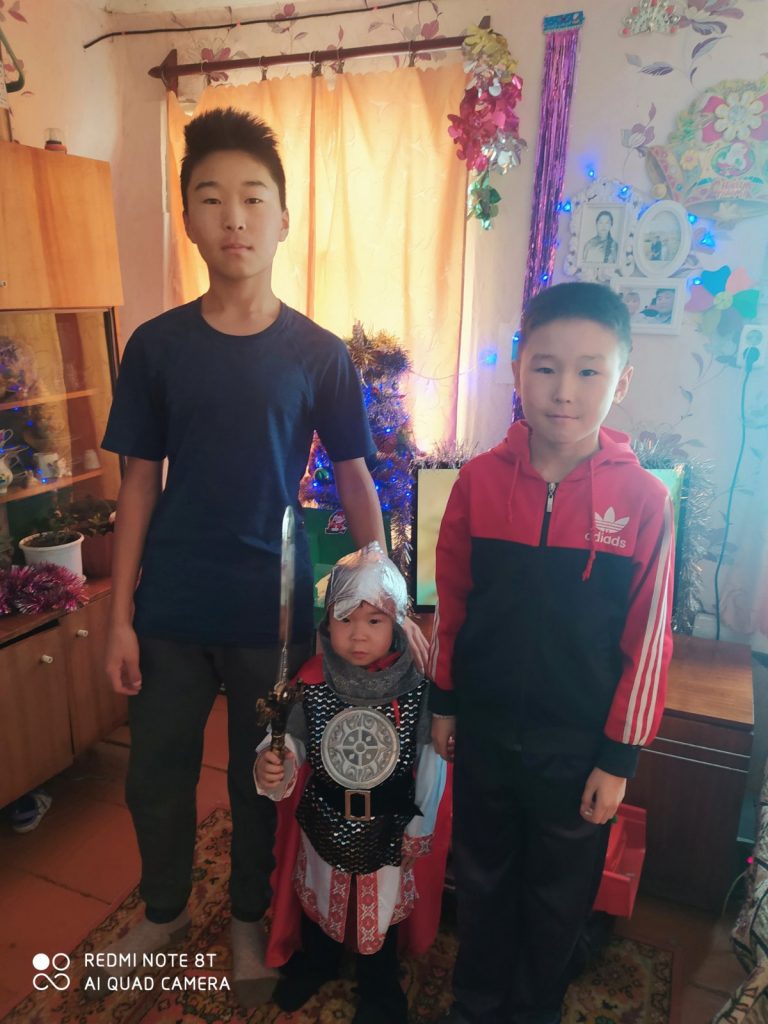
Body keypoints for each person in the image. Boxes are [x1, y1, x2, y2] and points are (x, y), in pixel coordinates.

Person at [94, 107, 427, 1006]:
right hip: (168, 606)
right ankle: (165, 911)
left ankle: (247, 917)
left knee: (261, 780)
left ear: (283, 218)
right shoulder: (156, 347)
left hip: (269, 616)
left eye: (252, 198)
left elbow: (355, 478)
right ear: (189, 219)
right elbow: (137, 487)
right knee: (155, 776)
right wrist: (119, 618)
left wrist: (382, 592)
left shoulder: (317, 355)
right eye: (211, 199)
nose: (233, 217)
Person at [429, 281, 675, 1024]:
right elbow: (453, 604)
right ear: (517, 369)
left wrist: (618, 758)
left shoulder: (643, 501)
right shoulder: (478, 482)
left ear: (620, 382)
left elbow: (649, 640)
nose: (564, 391)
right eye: (545, 367)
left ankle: (533, 1009)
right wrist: (446, 703)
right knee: (482, 880)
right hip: (487, 735)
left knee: (557, 896)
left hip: (577, 753)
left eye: (589, 371)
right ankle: (475, 1004)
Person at [255, 543, 448, 1024]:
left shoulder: (416, 688)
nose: (359, 635)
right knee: (320, 897)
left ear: (396, 624)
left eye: (374, 620)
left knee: (377, 911)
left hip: (389, 820)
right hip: (324, 814)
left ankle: (379, 990)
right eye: (345, 619)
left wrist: (419, 829)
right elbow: (291, 742)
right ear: (328, 624)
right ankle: (318, 963)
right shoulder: (313, 680)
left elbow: (432, 760)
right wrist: (272, 763)